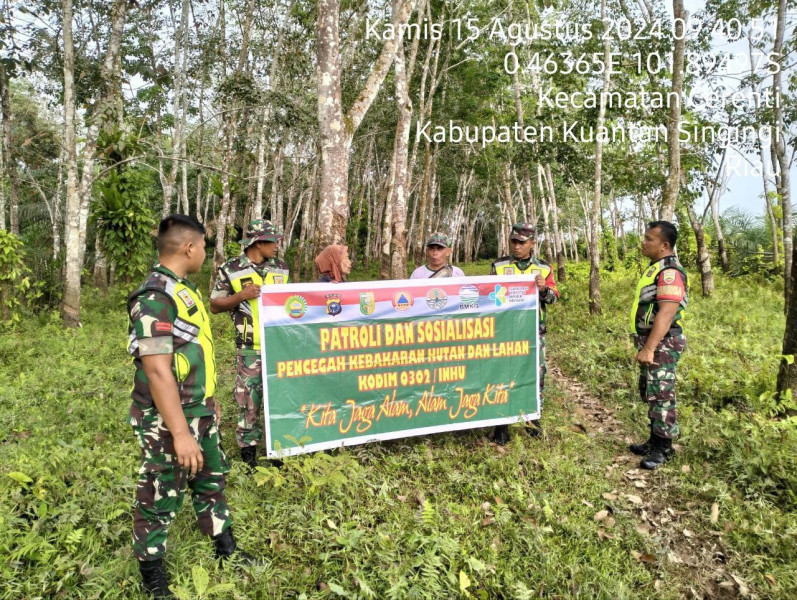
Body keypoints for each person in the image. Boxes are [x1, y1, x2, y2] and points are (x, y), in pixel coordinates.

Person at [127, 215, 256, 599]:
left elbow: (194, 354)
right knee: (160, 491)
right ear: (189, 248)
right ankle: (152, 574)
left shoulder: (180, 289)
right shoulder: (154, 298)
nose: (204, 253)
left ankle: (224, 546)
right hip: (168, 417)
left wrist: (207, 404)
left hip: (197, 408)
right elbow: (156, 370)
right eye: (203, 247)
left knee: (211, 479)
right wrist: (181, 433)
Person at [210, 220, 289, 470]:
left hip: (279, 346)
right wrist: (240, 297)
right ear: (258, 243)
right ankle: (249, 457)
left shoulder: (282, 268)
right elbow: (214, 305)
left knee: (279, 399)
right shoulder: (231, 269)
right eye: (272, 241)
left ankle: (278, 451)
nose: (277, 245)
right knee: (249, 402)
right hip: (249, 347)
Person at [490, 223, 559, 445]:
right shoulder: (499, 266)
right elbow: (489, 297)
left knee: (536, 373)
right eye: (514, 242)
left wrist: (543, 289)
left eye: (522, 242)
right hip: (506, 331)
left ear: (532, 243)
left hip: (533, 330)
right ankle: (502, 423)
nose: (517, 246)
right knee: (503, 373)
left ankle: (532, 418)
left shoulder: (544, 268)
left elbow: (554, 298)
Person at [629, 220, 688, 470]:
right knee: (652, 392)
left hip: (662, 343)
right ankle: (654, 440)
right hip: (653, 341)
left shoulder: (670, 272)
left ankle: (664, 449)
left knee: (662, 394)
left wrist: (650, 347)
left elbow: (666, 313)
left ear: (665, 245)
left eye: (649, 239)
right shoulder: (656, 268)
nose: (643, 242)